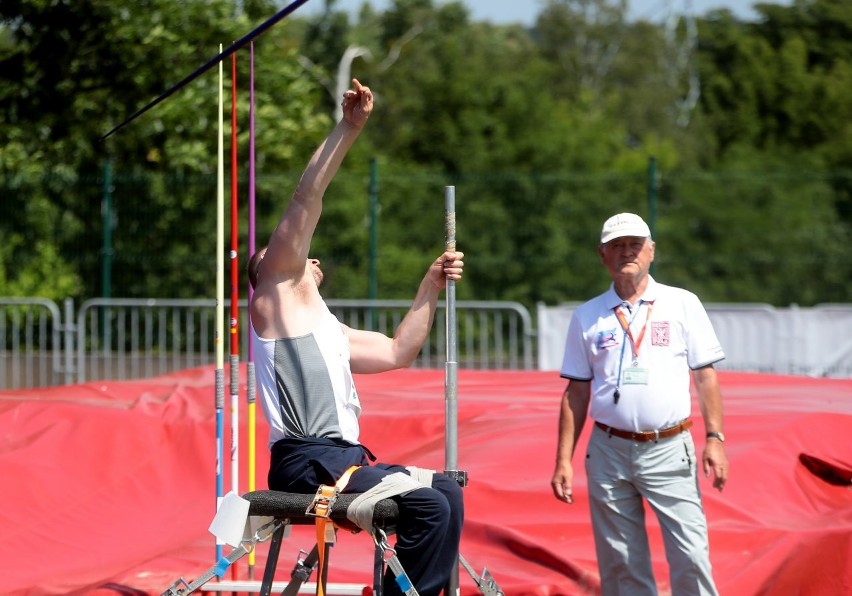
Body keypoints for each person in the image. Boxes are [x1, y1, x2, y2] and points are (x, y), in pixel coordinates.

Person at [247, 79, 465, 596]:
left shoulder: (326, 328)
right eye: (285, 253)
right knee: (431, 506)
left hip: (339, 457)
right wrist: (349, 127)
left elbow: (397, 351)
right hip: (306, 459)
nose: (303, 255)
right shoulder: (274, 292)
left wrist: (429, 285)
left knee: (447, 493)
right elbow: (307, 198)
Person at [550, 212, 728, 595]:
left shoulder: (682, 303)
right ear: (602, 255)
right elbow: (576, 392)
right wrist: (563, 459)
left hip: (669, 446)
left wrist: (715, 437)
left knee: (691, 554)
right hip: (608, 449)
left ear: (651, 251)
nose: (626, 252)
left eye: (634, 245)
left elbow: (705, 374)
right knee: (621, 562)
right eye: (617, 246)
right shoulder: (587, 316)